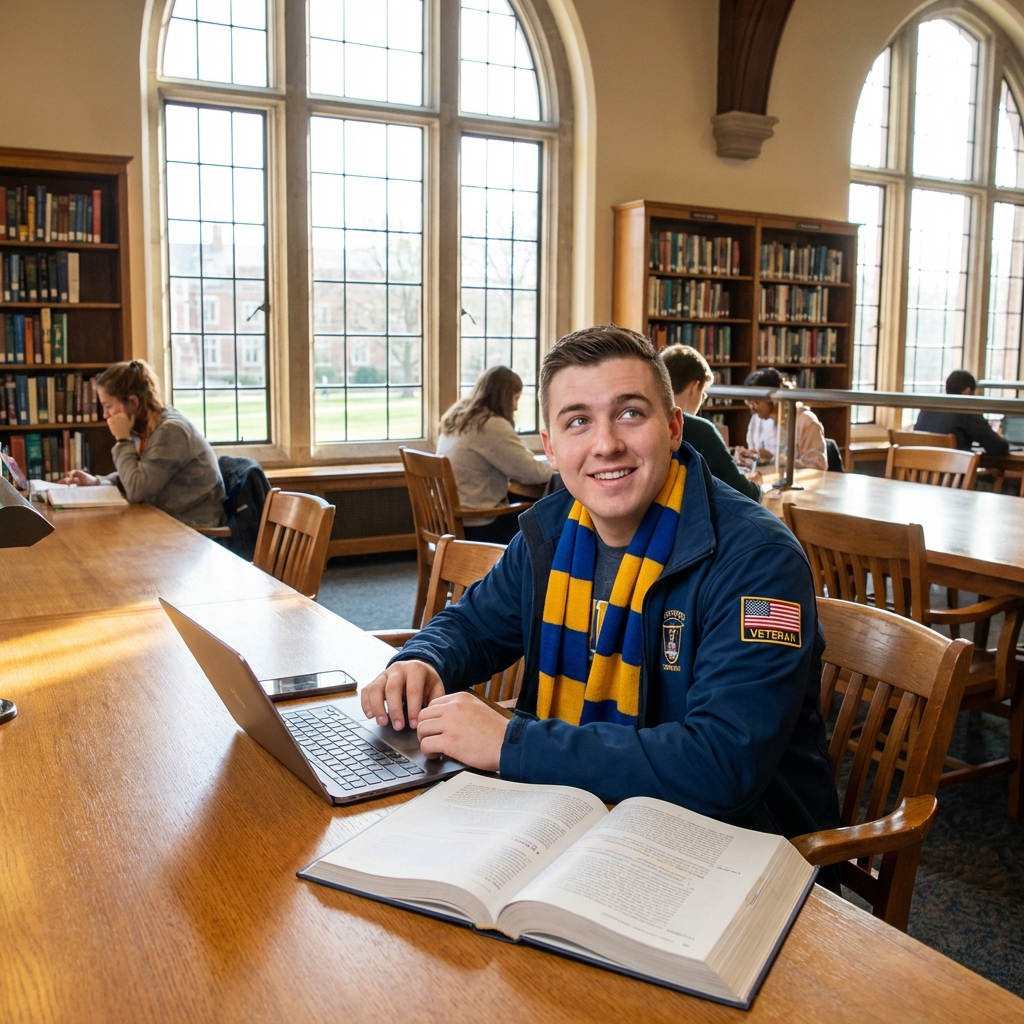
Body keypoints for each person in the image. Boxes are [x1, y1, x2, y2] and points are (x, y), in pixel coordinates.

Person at [363, 325, 841, 885]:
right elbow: (473, 623)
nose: (606, 444)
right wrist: (421, 660)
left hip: (732, 859)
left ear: (673, 427)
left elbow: (722, 764)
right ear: (550, 444)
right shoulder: (554, 528)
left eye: (631, 414)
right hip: (588, 824)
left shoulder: (760, 562)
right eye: (578, 421)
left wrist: (511, 743)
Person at [61, 360, 226, 528]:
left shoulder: (171, 432)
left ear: (133, 402)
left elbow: (136, 491)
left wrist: (122, 439)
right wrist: (97, 482)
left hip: (192, 530)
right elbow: (139, 475)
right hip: (163, 521)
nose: (105, 415)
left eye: (108, 406)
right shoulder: (145, 427)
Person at [436, 365, 552, 544]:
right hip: (480, 524)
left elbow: (517, 458)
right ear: (504, 397)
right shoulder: (489, 425)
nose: (515, 407)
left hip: (449, 520)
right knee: (551, 521)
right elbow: (533, 473)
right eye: (515, 398)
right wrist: (556, 464)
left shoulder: (460, 418)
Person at [659, 344, 762, 502]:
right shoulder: (699, 430)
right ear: (695, 386)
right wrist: (757, 485)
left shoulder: (649, 421)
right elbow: (744, 493)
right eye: (704, 394)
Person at [737, 367, 827, 470]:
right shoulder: (756, 420)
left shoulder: (805, 421)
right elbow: (755, 461)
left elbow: (817, 467)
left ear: (774, 399)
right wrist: (745, 459)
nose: (752, 409)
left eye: (756, 403)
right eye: (748, 403)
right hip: (765, 481)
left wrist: (774, 460)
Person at [914, 369, 1009, 455]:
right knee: (993, 473)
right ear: (967, 392)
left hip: (921, 472)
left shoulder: (927, 409)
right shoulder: (966, 411)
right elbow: (997, 448)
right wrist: (999, 437)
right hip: (953, 472)